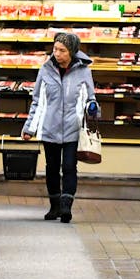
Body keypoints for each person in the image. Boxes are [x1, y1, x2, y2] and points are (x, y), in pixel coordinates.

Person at [21, 31, 99, 224]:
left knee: (70, 167)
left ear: (71, 52)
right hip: (50, 128)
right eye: (55, 49)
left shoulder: (84, 71)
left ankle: (66, 207)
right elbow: (37, 101)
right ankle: (54, 205)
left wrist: (93, 108)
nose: (56, 53)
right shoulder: (45, 70)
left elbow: (91, 99)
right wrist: (29, 128)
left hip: (74, 129)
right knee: (52, 168)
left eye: (62, 50)